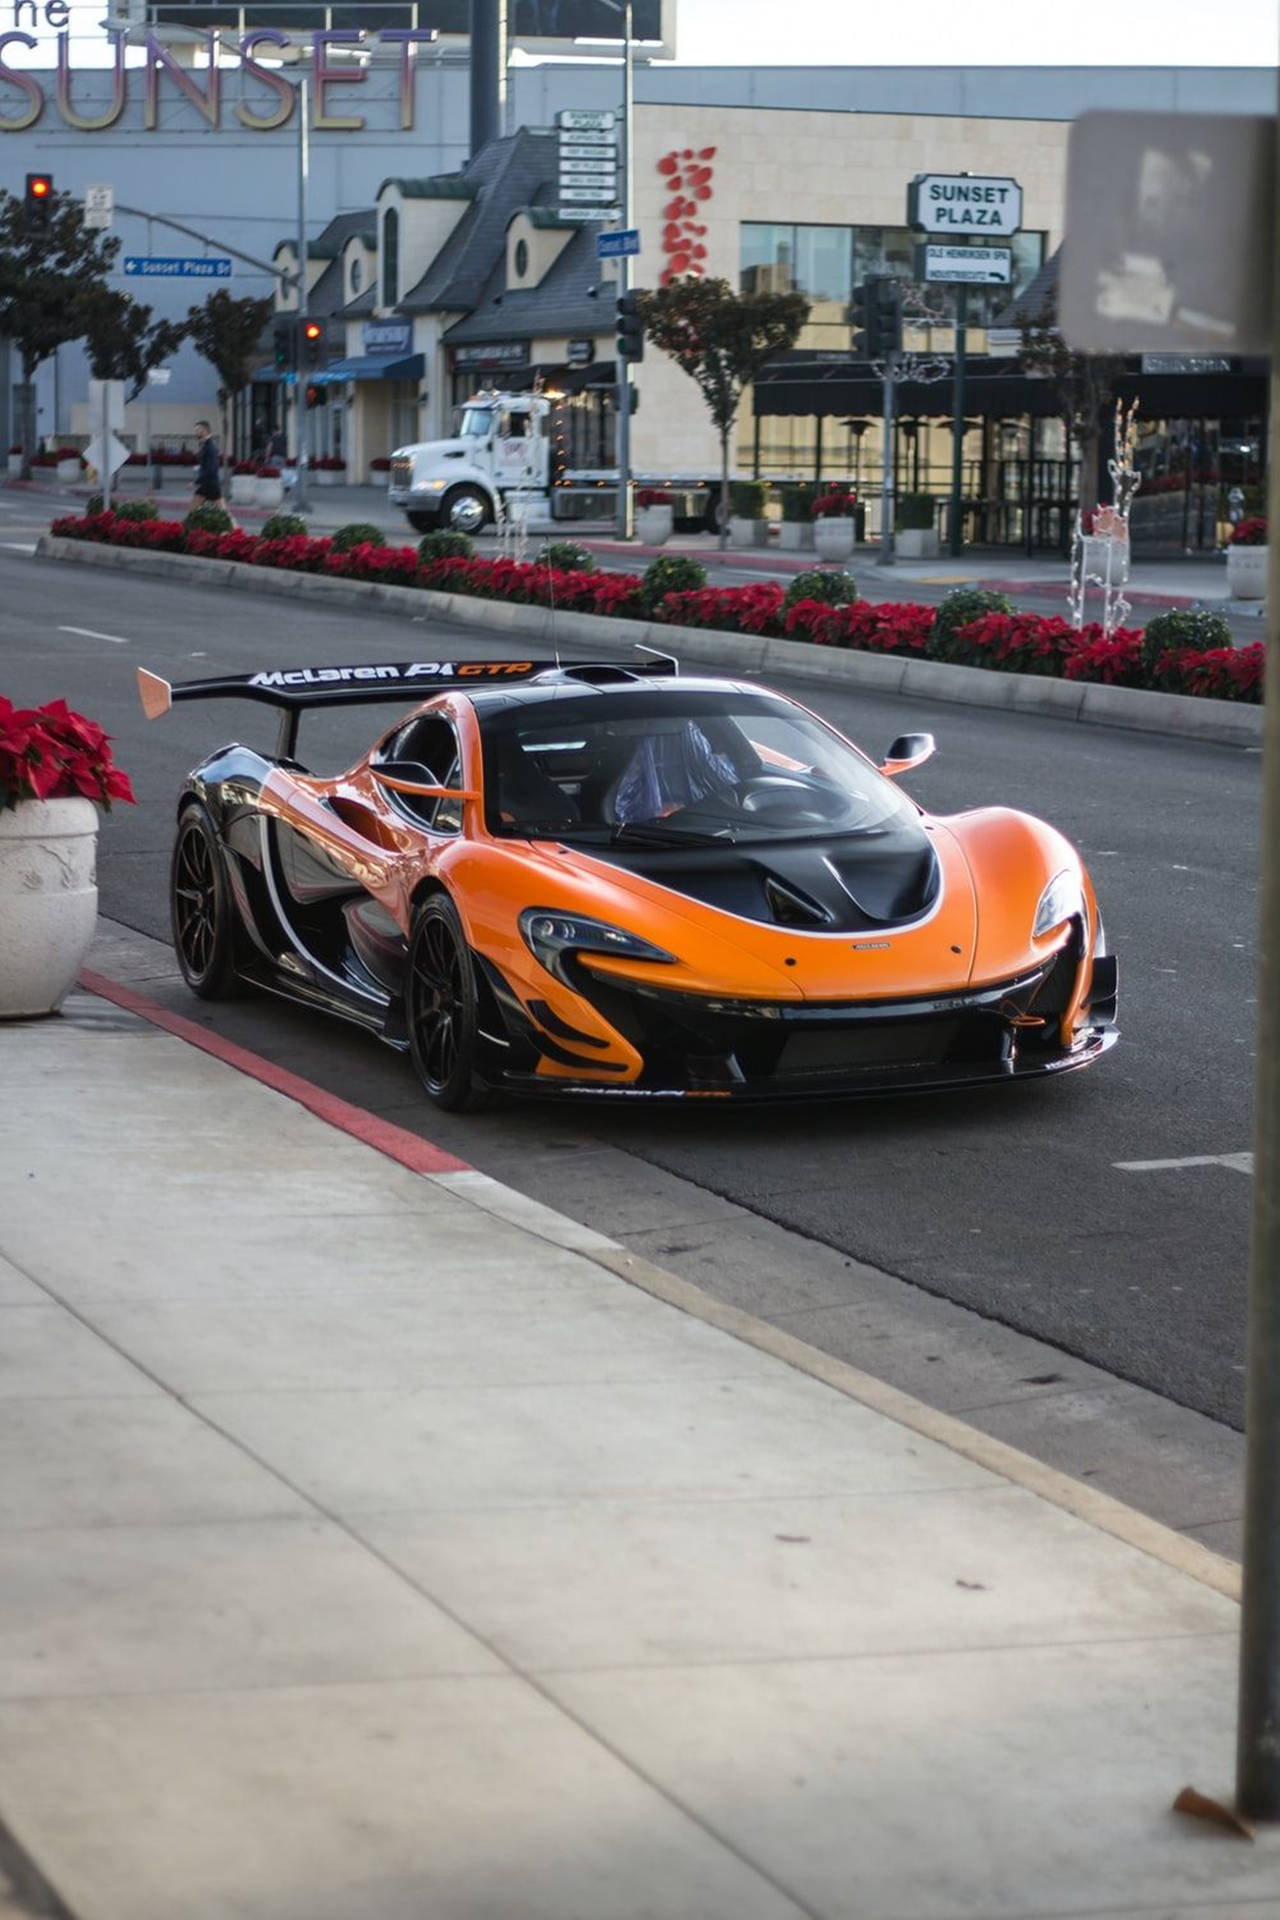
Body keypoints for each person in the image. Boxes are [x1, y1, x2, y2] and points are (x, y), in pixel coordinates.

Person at [191, 420, 223, 509]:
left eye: (198, 430)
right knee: (193, 509)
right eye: (195, 430)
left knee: (223, 512)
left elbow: (211, 468)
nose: (195, 432)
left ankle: (232, 523)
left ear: (204, 431)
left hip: (210, 484)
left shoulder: (210, 447)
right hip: (206, 484)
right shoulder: (205, 445)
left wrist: (196, 482)